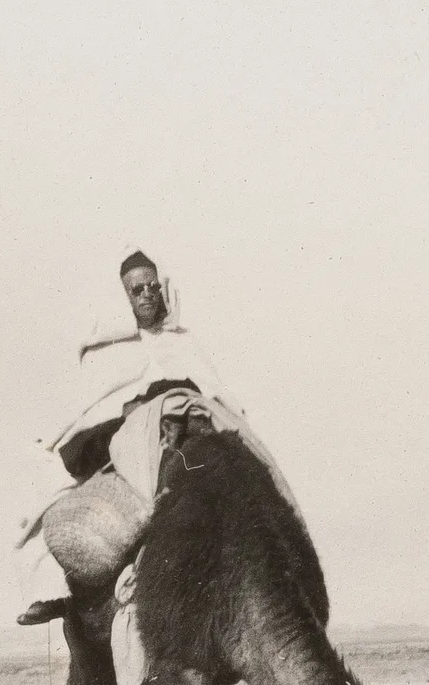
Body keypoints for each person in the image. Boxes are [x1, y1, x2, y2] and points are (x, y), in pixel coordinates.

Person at [16, 249, 294, 628]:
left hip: (185, 422)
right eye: (136, 290)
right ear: (123, 298)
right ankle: (55, 591)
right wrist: (134, 410)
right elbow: (92, 408)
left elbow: (216, 390)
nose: (146, 295)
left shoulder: (183, 341)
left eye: (152, 287)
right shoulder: (108, 350)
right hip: (120, 431)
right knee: (63, 482)